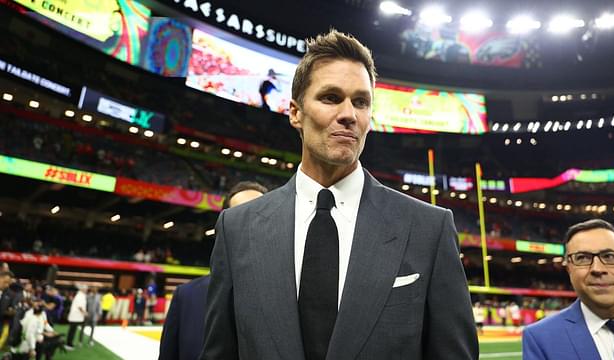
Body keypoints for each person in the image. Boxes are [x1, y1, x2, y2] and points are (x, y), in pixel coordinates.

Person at [199, 30, 477, 360]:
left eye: (361, 102)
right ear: (295, 113)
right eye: (331, 98)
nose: (349, 114)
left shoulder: (429, 229)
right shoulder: (237, 228)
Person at [159, 181, 267, 360]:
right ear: (224, 227)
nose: (250, 225)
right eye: (241, 216)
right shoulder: (186, 297)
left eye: (259, 216)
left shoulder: (290, 295)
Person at [523, 219, 614, 359]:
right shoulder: (540, 338)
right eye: (582, 258)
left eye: (610, 256)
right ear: (569, 271)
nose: (597, 269)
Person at [65, 284, 87, 350]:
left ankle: (69, 343)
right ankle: (68, 344)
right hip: (75, 317)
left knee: (72, 330)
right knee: (72, 331)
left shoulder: (80, 295)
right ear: (82, 289)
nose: (86, 290)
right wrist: (85, 313)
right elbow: (80, 306)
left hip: (76, 317)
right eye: (85, 288)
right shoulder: (80, 296)